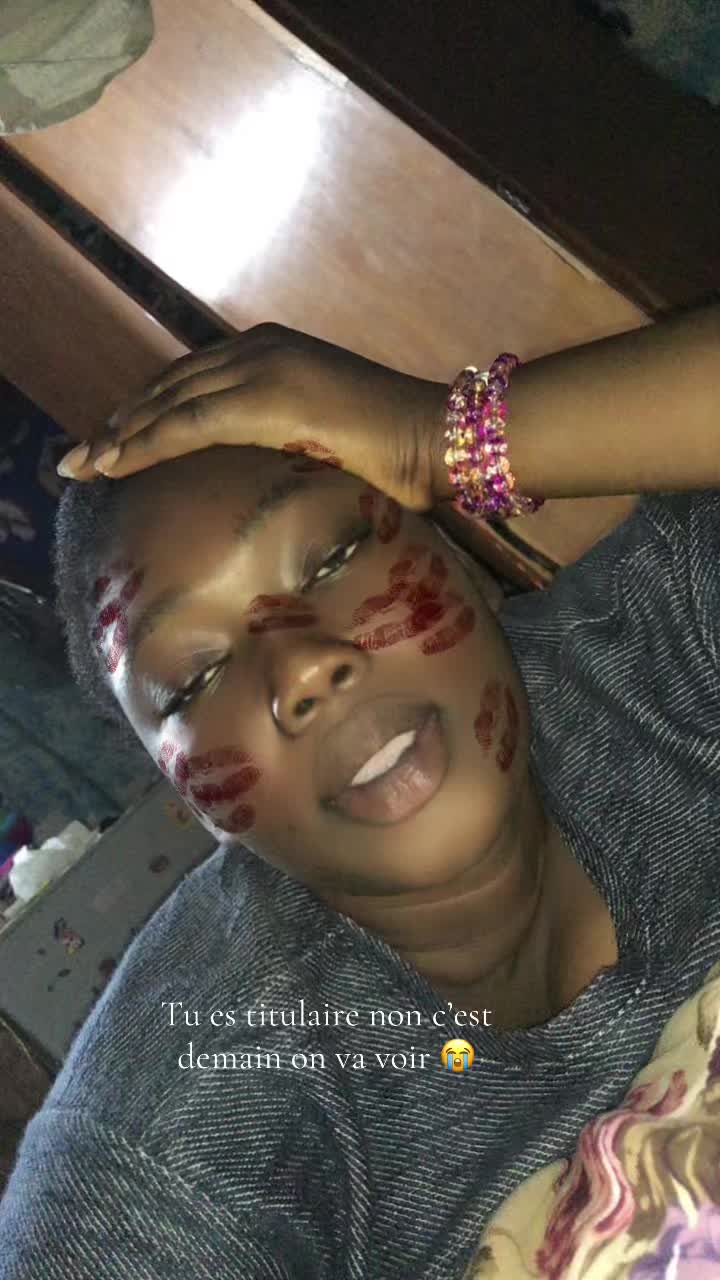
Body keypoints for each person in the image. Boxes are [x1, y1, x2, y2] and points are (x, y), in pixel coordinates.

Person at [0, 305, 718, 1278]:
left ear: (457, 560)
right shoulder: (170, 1147)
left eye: (334, 558)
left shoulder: (669, 650)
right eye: (196, 677)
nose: (303, 667)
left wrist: (438, 435)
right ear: (195, 805)